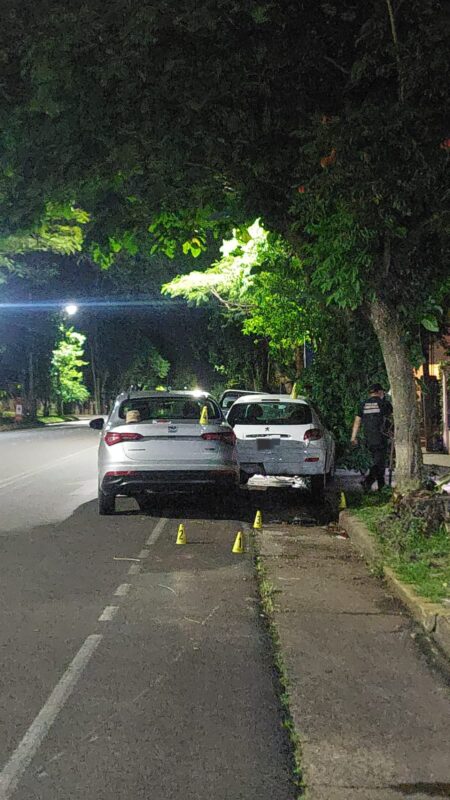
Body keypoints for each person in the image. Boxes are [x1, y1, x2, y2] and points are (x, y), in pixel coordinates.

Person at [351, 383, 393, 491]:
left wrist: (353, 437)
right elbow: (392, 418)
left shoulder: (363, 404)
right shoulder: (384, 404)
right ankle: (368, 482)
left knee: (377, 462)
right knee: (379, 463)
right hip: (381, 437)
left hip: (368, 438)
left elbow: (357, 421)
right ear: (379, 392)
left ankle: (380, 486)